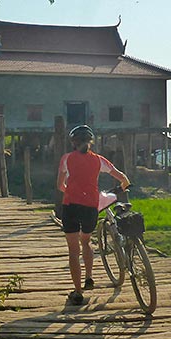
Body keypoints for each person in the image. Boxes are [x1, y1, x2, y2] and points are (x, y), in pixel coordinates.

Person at [57, 125, 130, 305]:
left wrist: (70, 191)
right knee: (86, 241)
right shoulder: (99, 160)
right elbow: (123, 178)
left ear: (73, 143)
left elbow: (60, 185)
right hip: (91, 207)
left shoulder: (66, 158)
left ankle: (78, 291)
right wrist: (122, 188)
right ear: (91, 142)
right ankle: (89, 277)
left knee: (74, 252)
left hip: (71, 206)